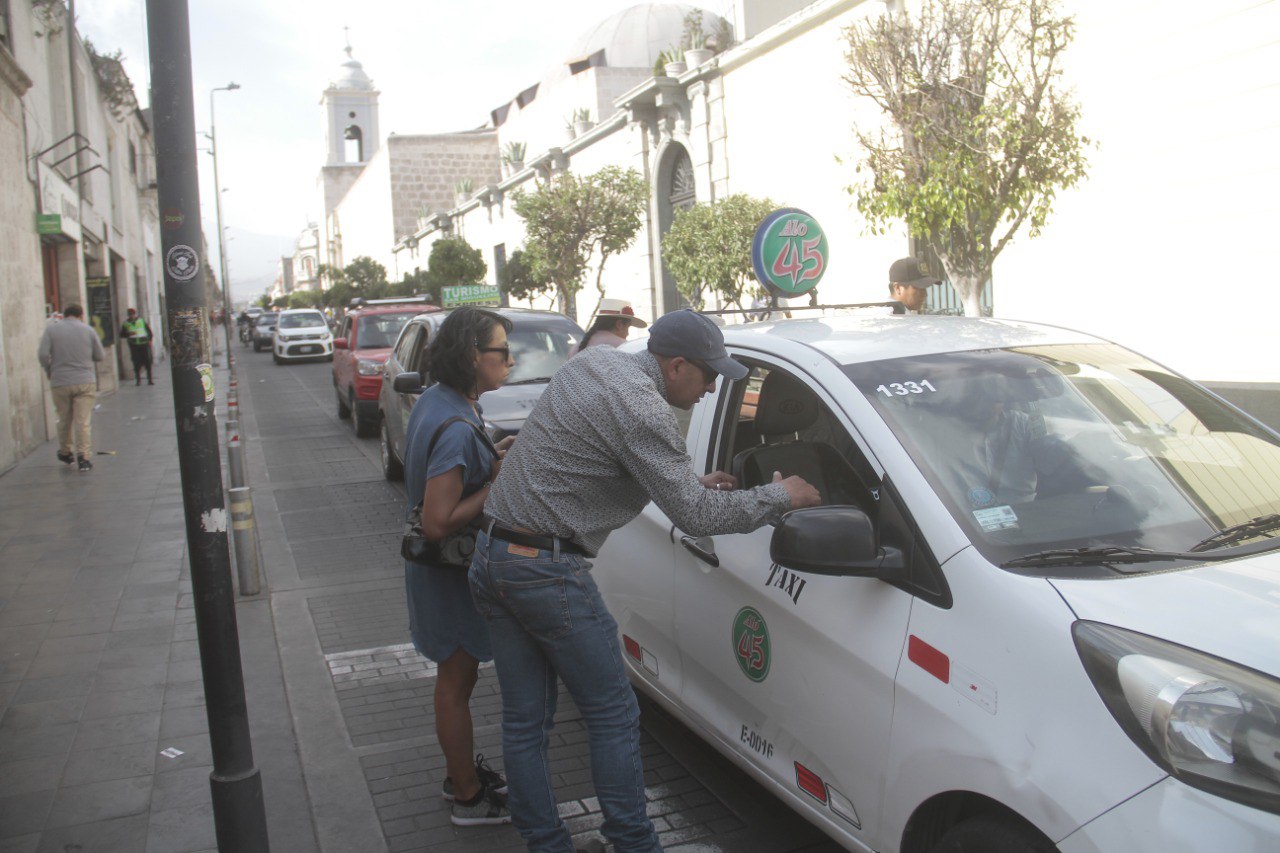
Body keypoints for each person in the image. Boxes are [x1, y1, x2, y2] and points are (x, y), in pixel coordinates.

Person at [471, 308, 821, 852]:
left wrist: (682, 482)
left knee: (524, 723)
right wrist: (784, 496)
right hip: (545, 570)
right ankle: (634, 844)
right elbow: (699, 519)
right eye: (708, 376)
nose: (710, 390)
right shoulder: (643, 410)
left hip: (494, 555)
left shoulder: (594, 365)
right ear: (676, 366)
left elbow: (586, 462)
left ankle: (547, 844)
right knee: (613, 713)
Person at [402, 307, 517, 827]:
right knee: (456, 680)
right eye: (501, 352)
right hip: (450, 576)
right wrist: (494, 488)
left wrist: (490, 454)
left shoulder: (439, 400)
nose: (510, 362)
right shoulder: (453, 421)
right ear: (474, 356)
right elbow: (437, 520)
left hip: (439, 575)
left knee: (455, 679)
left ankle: (461, 774)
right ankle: (467, 796)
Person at [38, 304, 105, 473]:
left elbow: (43, 354)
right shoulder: (88, 330)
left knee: (64, 419)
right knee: (82, 421)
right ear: (81, 315)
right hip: (84, 381)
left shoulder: (51, 330)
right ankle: (83, 457)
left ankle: (66, 452)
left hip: (60, 381)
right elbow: (99, 355)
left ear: (65, 315)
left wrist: (50, 369)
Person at [569, 297, 647, 356]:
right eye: (628, 327)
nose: (628, 334)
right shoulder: (625, 348)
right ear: (619, 325)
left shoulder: (576, 349)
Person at [120, 308, 154, 385]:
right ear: (128, 315)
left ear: (135, 314)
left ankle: (150, 379)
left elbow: (149, 331)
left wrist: (150, 340)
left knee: (147, 361)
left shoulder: (141, 321)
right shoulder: (126, 323)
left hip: (144, 343)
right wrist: (128, 334)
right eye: (130, 315)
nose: (132, 316)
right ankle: (138, 380)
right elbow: (122, 334)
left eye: (133, 314)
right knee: (136, 362)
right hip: (133, 345)